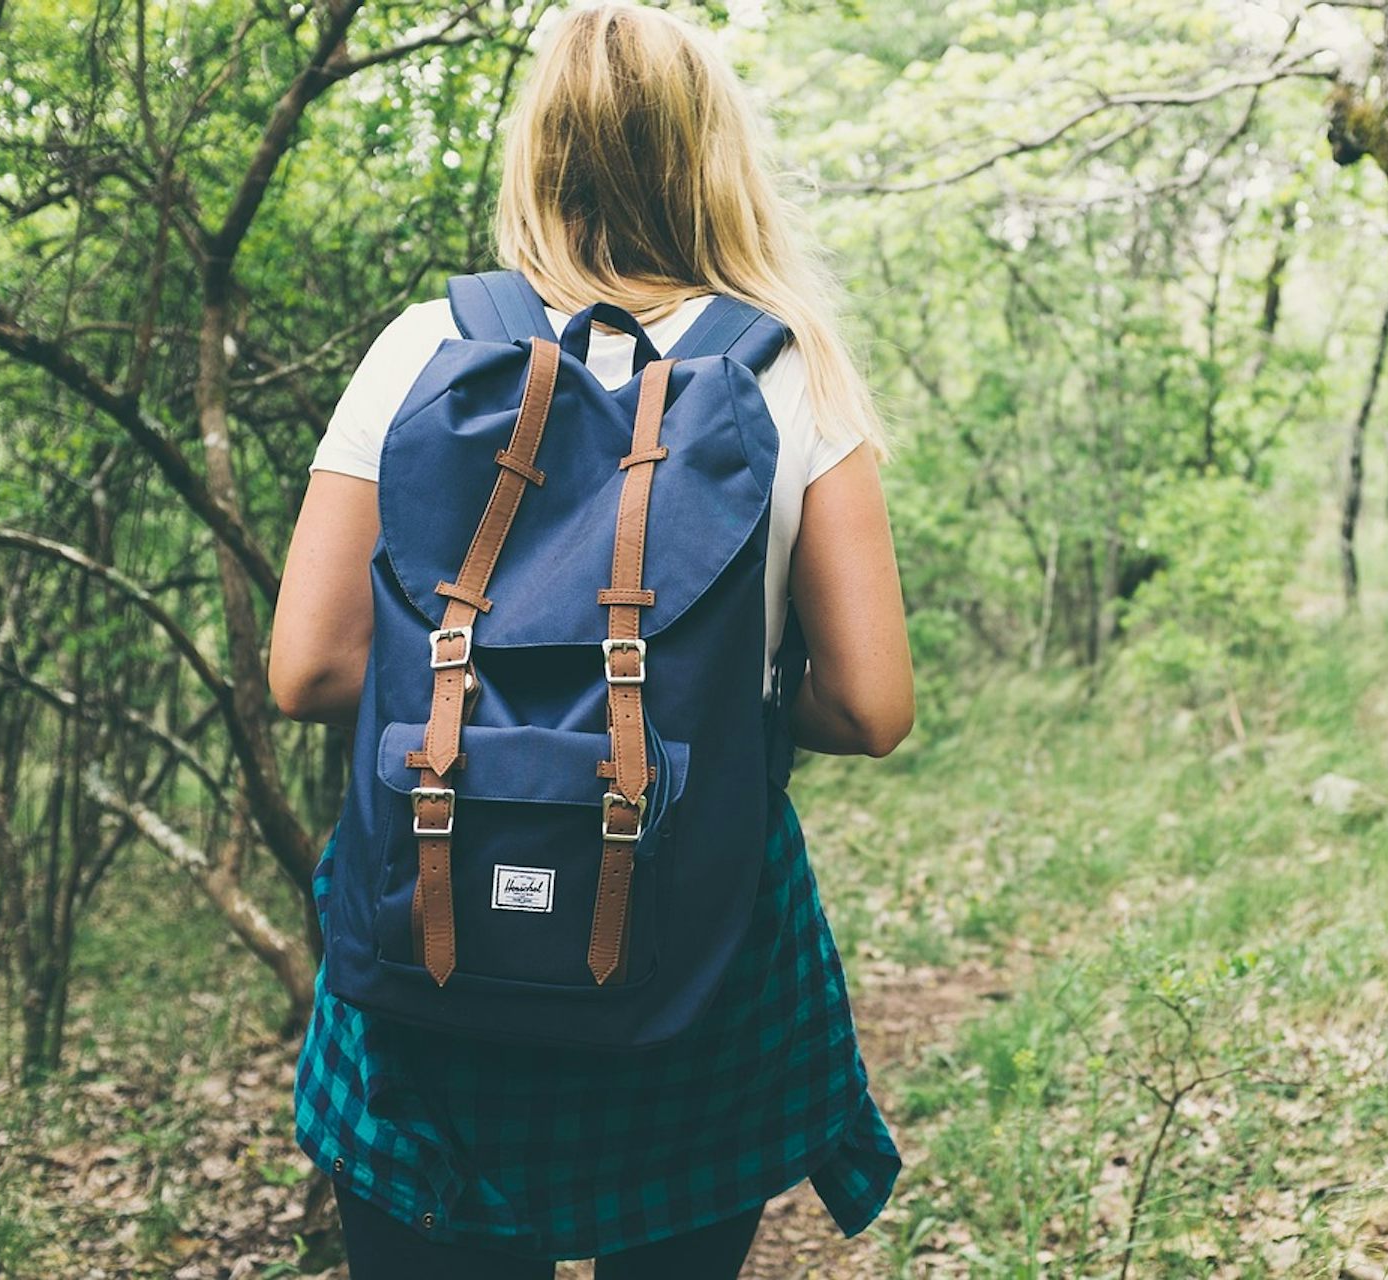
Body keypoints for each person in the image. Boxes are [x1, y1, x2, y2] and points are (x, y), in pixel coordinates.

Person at [268, 5, 913, 1276]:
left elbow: (311, 667)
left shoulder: (425, 348)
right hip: (692, 947)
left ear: (539, 154)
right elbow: (872, 707)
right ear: (712, 155)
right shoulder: (793, 375)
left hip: (434, 931)